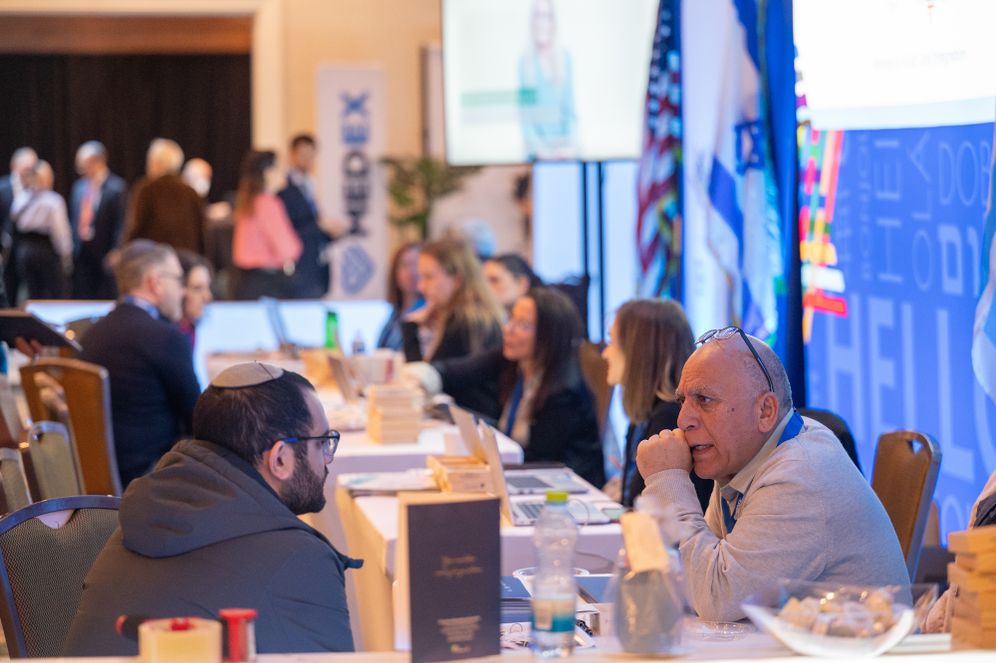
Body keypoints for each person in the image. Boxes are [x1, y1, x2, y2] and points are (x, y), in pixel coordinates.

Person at [65, 363, 359, 656]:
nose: (328, 459)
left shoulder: (134, 523)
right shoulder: (301, 558)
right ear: (280, 458)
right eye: (322, 442)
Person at [635, 326, 910, 621]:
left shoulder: (800, 476)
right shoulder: (747, 454)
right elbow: (691, 579)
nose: (683, 419)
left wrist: (668, 480)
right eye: (683, 401)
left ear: (765, 411)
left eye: (704, 400)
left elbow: (717, 598)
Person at [413, 288, 604, 486]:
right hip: (525, 478)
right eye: (511, 318)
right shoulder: (512, 360)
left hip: (566, 490)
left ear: (550, 335)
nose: (509, 329)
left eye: (523, 325)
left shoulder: (564, 392)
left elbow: (539, 460)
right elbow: (453, 372)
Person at [79, 240, 201, 487]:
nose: (183, 292)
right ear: (155, 282)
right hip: (150, 480)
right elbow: (199, 419)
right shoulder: (165, 337)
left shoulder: (90, 336)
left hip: (93, 481)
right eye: (178, 280)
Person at [602, 299, 712, 511]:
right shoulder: (647, 414)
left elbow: (645, 511)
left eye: (612, 342)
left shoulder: (671, 421)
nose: (605, 354)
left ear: (638, 352)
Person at [401, 237, 503, 362]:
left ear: (456, 280)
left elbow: (427, 376)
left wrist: (411, 327)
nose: (421, 286)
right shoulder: (475, 314)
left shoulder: (464, 321)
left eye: (428, 277)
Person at [231, 149, 303, 300]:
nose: (284, 172)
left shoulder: (247, 202)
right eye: (279, 167)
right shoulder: (267, 203)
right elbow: (287, 248)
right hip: (267, 283)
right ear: (267, 172)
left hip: (246, 281)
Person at [518, 0, 578, 160]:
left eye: (546, 16)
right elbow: (526, 117)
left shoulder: (565, 59)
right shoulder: (525, 64)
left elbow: (570, 112)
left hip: (565, 155)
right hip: (537, 157)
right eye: (537, 16)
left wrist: (568, 147)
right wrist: (540, 151)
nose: (541, 22)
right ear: (532, 21)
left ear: (553, 22)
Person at [124, 138, 205, 254]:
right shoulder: (190, 191)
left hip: (155, 259)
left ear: (155, 163)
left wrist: (125, 250)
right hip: (186, 257)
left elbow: (136, 227)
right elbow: (200, 230)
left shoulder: (146, 189)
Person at [278, 134, 334, 298]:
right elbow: (289, 229)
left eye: (311, 155)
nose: (308, 160)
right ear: (292, 155)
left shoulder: (309, 185)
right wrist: (319, 227)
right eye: (303, 155)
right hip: (299, 267)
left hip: (316, 263)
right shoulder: (284, 190)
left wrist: (329, 230)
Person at [70, 141, 128, 300]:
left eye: (84, 164)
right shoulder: (79, 187)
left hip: (105, 251)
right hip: (82, 252)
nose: (80, 170)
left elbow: (121, 222)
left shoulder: (117, 187)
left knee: (105, 295)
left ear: (98, 161)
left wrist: (117, 249)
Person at [10, 161, 72, 301]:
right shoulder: (53, 201)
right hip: (46, 250)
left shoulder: (22, 197)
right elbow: (60, 232)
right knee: (55, 294)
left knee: (33, 292)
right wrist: (66, 256)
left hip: (25, 250)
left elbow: (13, 216)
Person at [1, 147, 38, 300]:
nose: (30, 173)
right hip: (6, 253)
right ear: (14, 166)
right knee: (8, 292)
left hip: (30, 253)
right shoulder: (2, 188)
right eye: (27, 168)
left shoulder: (37, 189)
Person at [376, 241, 422, 350]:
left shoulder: (428, 312)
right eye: (404, 265)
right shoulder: (395, 314)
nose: (411, 272)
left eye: (416, 265)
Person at [177, 249, 214, 351]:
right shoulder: (168, 337)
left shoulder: (191, 329)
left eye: (208, 287)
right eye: (197, 288)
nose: (208, 297)